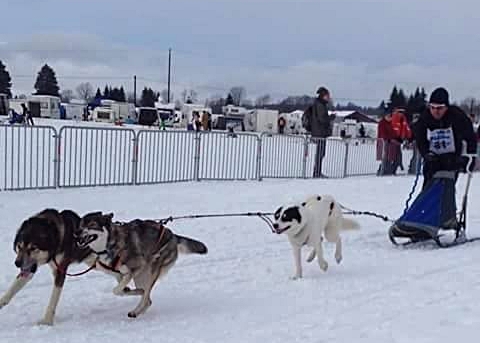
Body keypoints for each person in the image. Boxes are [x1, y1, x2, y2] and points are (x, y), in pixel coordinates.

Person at [411, 87, 477, 190]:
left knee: (447, 190)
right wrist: (426, 154)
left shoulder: (457, 116)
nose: (435, 111)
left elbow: (471, 137)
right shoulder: (425, 118)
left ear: (446, 107)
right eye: (432, 107)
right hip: (433, 161)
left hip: (452, 160)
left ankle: (446, 204)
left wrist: (469, 158)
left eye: (439, 108)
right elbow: (421, 139)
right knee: (429, 190)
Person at [302, 86, 335, 178]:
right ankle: (317, 172)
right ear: (323, 95)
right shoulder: (320, 105)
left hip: (320, 132)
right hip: (320, 133)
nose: (328, 97)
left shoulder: (320, 104)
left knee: (321, 153)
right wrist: (330, 118)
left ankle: (317, 172)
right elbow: (322, 119)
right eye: (327, 95)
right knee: (320, 153)